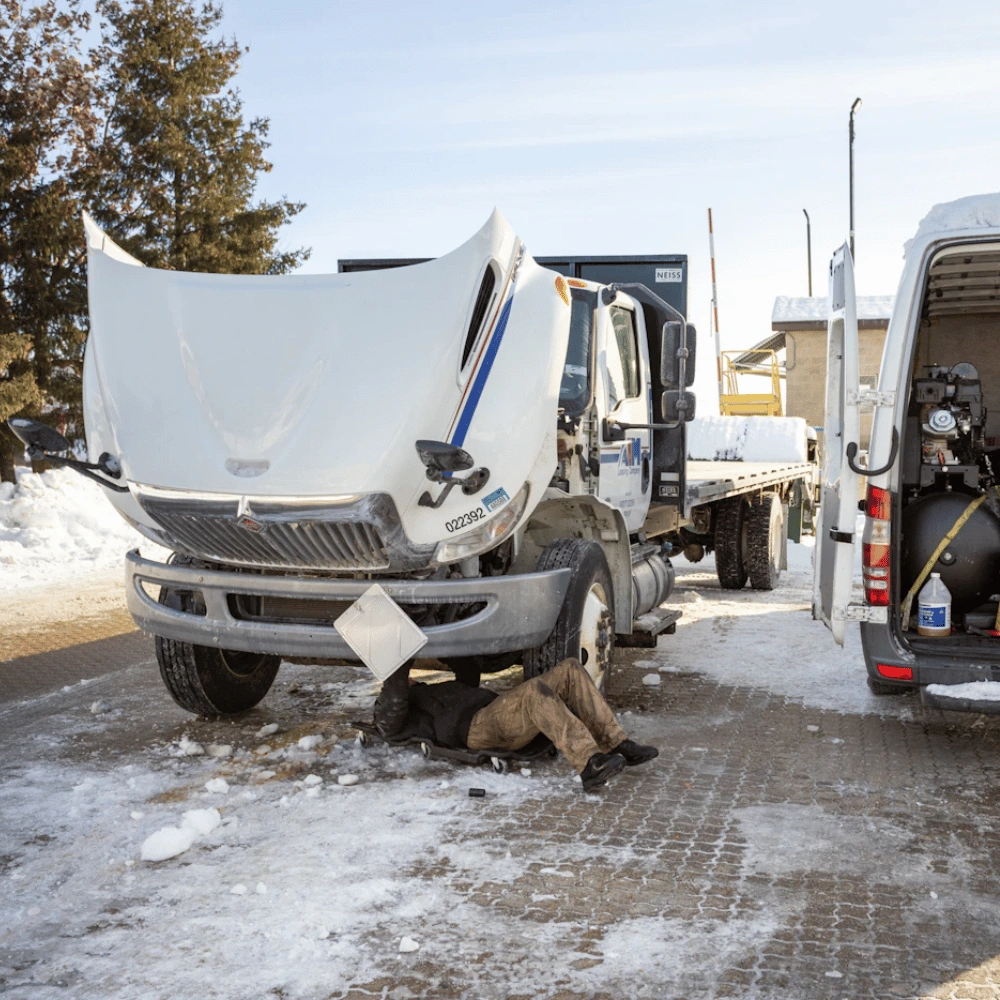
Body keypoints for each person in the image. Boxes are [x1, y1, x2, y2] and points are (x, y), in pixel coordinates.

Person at [373, 657, 658, 792]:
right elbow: (390, 715)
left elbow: (470, 671)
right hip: (476, 729)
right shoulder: (403, 707)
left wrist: (446, 645)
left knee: (570, 669)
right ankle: (589, 764)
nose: (408, 680)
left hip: (495, 712)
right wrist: (397, 666)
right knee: (534, 691)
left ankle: (615, 741)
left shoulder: (439, 687)